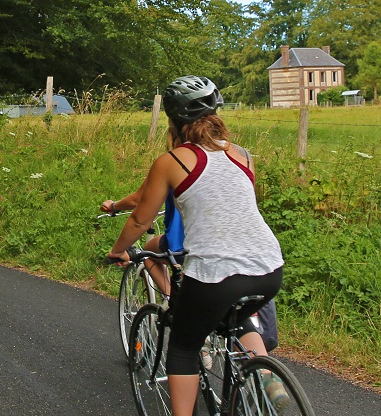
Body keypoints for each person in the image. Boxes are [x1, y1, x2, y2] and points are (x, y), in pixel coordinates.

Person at [106, 75, 285, 416]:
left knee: (184, 347)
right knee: (234, 317)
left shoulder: (171, 161)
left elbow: (141, 220)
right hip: (269, 267)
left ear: (173, 121)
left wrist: (118, 251)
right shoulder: (243, 155)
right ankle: (263, 373)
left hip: (216, 272)